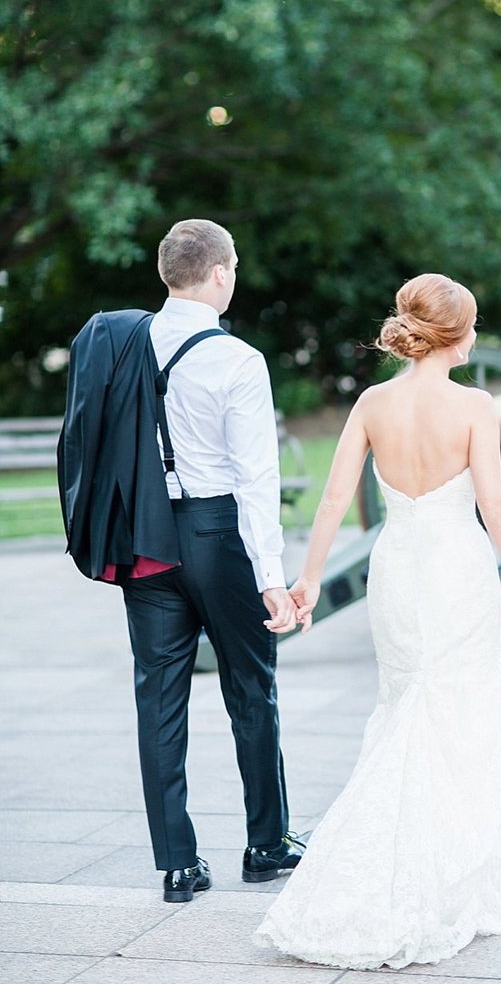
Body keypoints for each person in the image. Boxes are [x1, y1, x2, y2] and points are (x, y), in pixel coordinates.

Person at [254, 272, 501, 969]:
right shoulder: (474, 405)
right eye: (472, 324)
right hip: (457, 572)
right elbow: (497, 507)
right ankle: (446, 886)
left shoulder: (373, 402)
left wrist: (309, 581)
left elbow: (331, 499)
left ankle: (387, 872)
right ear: (458, 334)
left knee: (404, 706)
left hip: (397, 569)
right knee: (461, 719)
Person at [120, 219, 305, 902]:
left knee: (158, 698)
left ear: (168, 273)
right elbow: (257, 479)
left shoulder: (126, 343)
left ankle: (177, 863)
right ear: (221, 272)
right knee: (251, 688)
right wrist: (271, 576)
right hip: (216, 529)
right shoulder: (237, 360)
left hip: (145, 534)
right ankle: (265, 842)